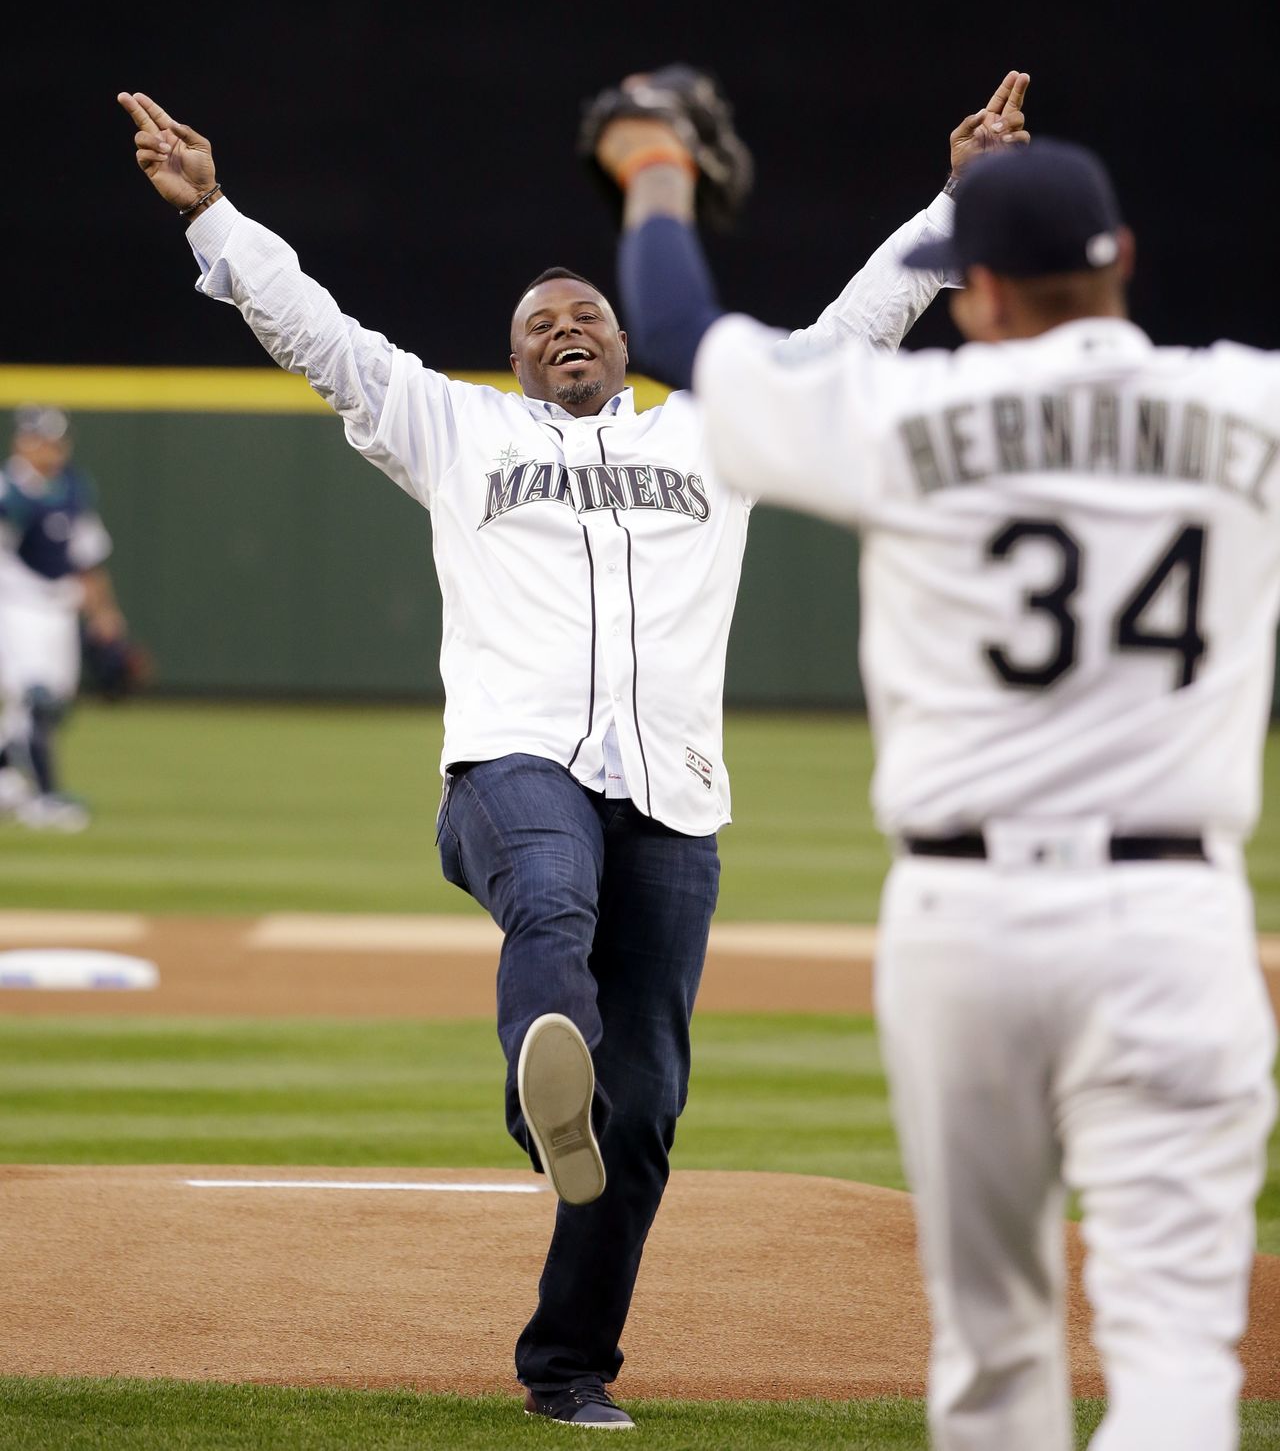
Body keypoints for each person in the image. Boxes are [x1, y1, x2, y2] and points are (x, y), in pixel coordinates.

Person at [115, 74, 1028, 1429]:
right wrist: (215, 218)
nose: (566, 327)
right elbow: (318, 334)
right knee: (550, 893)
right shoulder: (456, 427)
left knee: (645, 1106)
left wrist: (956, 202)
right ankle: (541, 1061)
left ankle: (567, 1362)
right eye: (540, 322)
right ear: (517, 358)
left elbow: (853, 335)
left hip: (673, 791)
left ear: (623, 339)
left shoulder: (708, 433)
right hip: (512, 768)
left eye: (587, 312)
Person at [598, 121, 1279, 1450]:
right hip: (1171, 921)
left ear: (976, 292)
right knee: (1177, 1351)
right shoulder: (1247, 401)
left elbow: (678, 324)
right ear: (1123, 256)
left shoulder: (909, 411)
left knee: (992, 1342)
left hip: (962, 927)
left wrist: (653, 167)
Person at [0, 406, 129, 831]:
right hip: (17, 607)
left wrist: (104, 612)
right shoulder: (8, 492)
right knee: (35, 699)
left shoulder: (72, 487)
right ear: (23, 441)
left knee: (51, 707)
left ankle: (4, 776)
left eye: (58, 440)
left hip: (59, 609)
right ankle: (44, 799)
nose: (53, 449)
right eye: (43, 440)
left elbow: (88, 558)